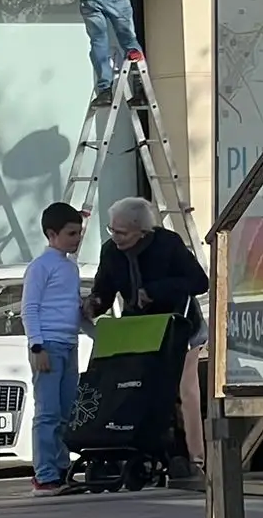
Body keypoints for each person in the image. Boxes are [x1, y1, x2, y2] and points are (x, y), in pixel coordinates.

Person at [88, 196, 208, 489]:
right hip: (139, 330)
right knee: (138, 391)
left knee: (181, 393)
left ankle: (191, 456)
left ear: (142, 231)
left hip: (179, 327)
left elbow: (199, 282)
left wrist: (155, 290)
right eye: (112, 230)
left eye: (122, 232)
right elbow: (105, 288)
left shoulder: (168, 244)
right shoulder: (111, 251)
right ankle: (143, 450)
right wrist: (94, 303)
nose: (115, 237)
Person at [23, 202, 85, 497]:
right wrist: (37, 345)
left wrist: (94, 331)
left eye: (79, 233)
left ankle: (61, 469)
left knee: (66, 411)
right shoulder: (40, 267)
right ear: (52, 234)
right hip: (47, 345)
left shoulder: (71, 267)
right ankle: (44, 474)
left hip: (69, 344)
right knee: (47, 412)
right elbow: (29, 308)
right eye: (71, 233)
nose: (77, 239)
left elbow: (72, 307)